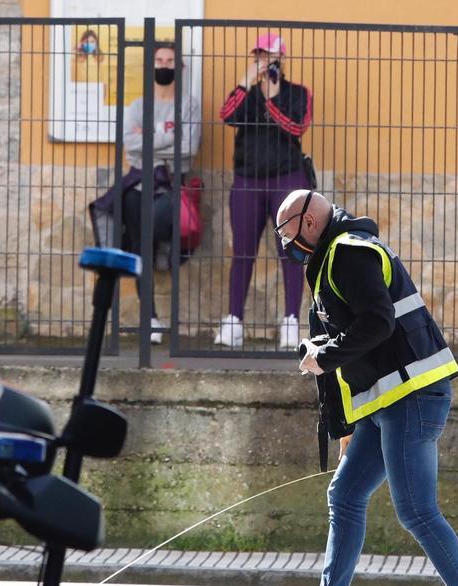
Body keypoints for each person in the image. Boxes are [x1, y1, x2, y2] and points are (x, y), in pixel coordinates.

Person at [251, 190, 458, 586]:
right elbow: (360, 340)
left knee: (418, 512)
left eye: (287, 234)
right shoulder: (331, 257)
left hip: (413, 397)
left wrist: (322, 357)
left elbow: (378, 323)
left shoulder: (349, 253)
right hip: (388, 400)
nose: (286, 245)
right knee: (344, 496)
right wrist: (349, 421)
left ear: (308, 223)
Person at [88, 43, 201, 343]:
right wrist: (170, 136)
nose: (164, 65)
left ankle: (163, 264)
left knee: (155, 234)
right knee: (140, 246)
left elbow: (188, 149)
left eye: (170, 60)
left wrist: (148, 138)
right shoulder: (138, 106)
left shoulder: (188, 104)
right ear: (152, 66)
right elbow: (130, 146)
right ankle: (149, 318)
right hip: (136, 185)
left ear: (180, 68)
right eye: (159, 60)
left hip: (170, 187)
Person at [216, 33, 314, 349]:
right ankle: (233, 321)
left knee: (291, 250)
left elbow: (297, 127)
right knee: (243, 251)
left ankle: (290, 321)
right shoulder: (246, 94)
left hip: (287, 177)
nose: (263, 60)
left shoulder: (298, 94)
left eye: (269, 55)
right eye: (258, 55)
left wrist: (271, 99)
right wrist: (246, 83)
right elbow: (227, 115)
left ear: (281, 59)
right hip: (248, 179)